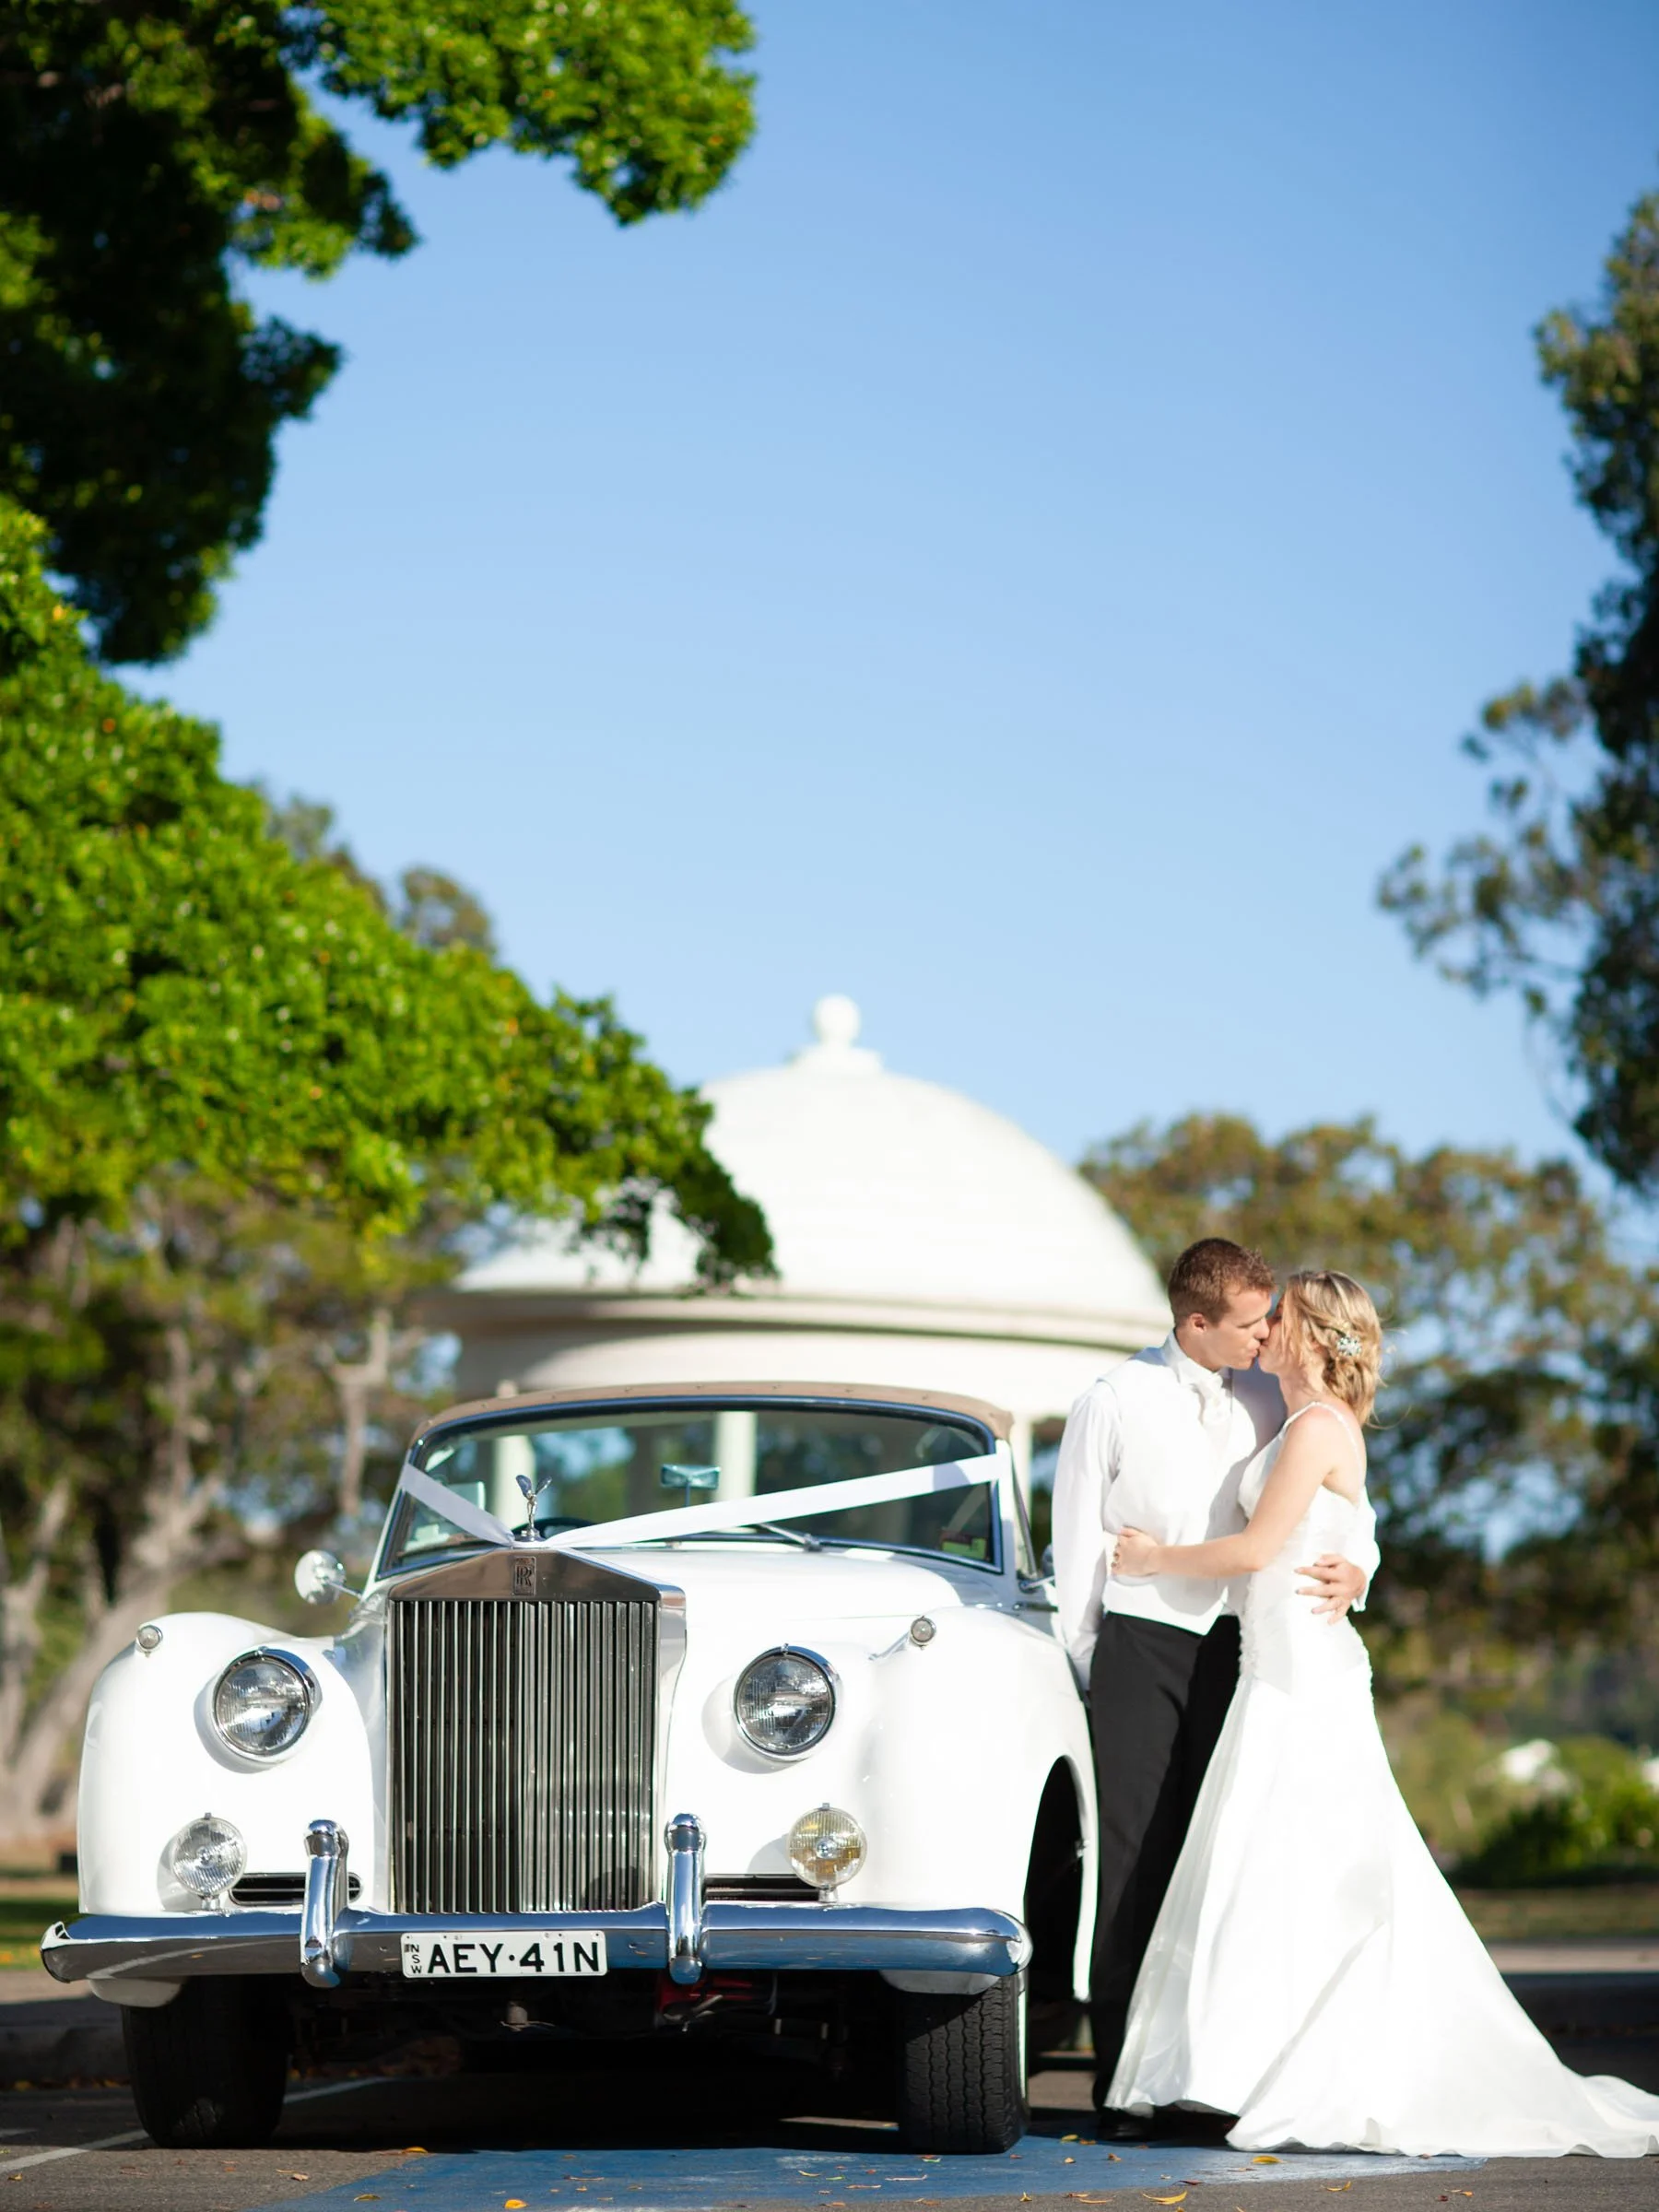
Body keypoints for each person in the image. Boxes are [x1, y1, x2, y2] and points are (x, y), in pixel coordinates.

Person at [1106, 1270, 1659, 2157]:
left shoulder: (1316, 1427)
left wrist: (1150, 1556)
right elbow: (1354, 1522)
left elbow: (1256, 1547)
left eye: (1277, 1315)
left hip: (1299, 1676)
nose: (1263, 1325)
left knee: (1301, 1863)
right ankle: (1235, 2071)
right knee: (1277, 1866)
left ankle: (1268, 2072)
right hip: (1278, 1665)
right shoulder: (1299, 1418)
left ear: (1310, 1335)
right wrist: (1361, 1561)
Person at [1051, 1238, 1377, 2126]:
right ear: (1195, 1322)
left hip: (1242, 1650)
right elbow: (1077, 1541)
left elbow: (1345, 1504)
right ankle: (1123, 2083)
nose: (1266, 1332)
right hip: (1140, 1648)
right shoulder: (1112, 1400)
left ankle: (1202, 2076)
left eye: (1272, 1317)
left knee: (1222, 1865)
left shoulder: (1280, 1397)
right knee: (1134, 1863)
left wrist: (1361, 1571)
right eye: (1250, 1320)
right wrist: (1089, 1666)